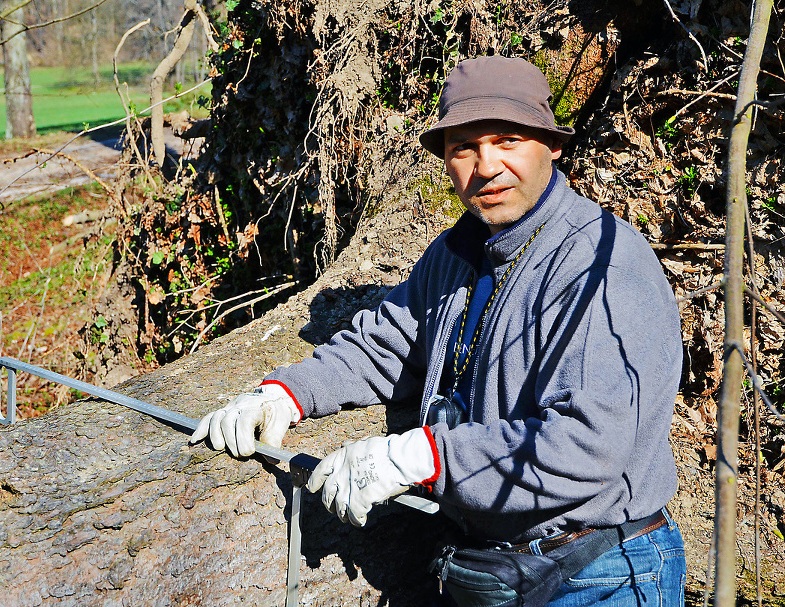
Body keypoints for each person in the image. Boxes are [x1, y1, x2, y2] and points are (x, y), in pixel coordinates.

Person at [191, 55, 686, 606]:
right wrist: (286, 394)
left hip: (600, 572)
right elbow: (386, 345)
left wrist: (421, 457)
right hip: (493, 566)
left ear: (552, 144)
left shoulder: (602, 268)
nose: (487, 166)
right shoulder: (458, 250)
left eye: (507, 141)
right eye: (463, 148)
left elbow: (588, 445)